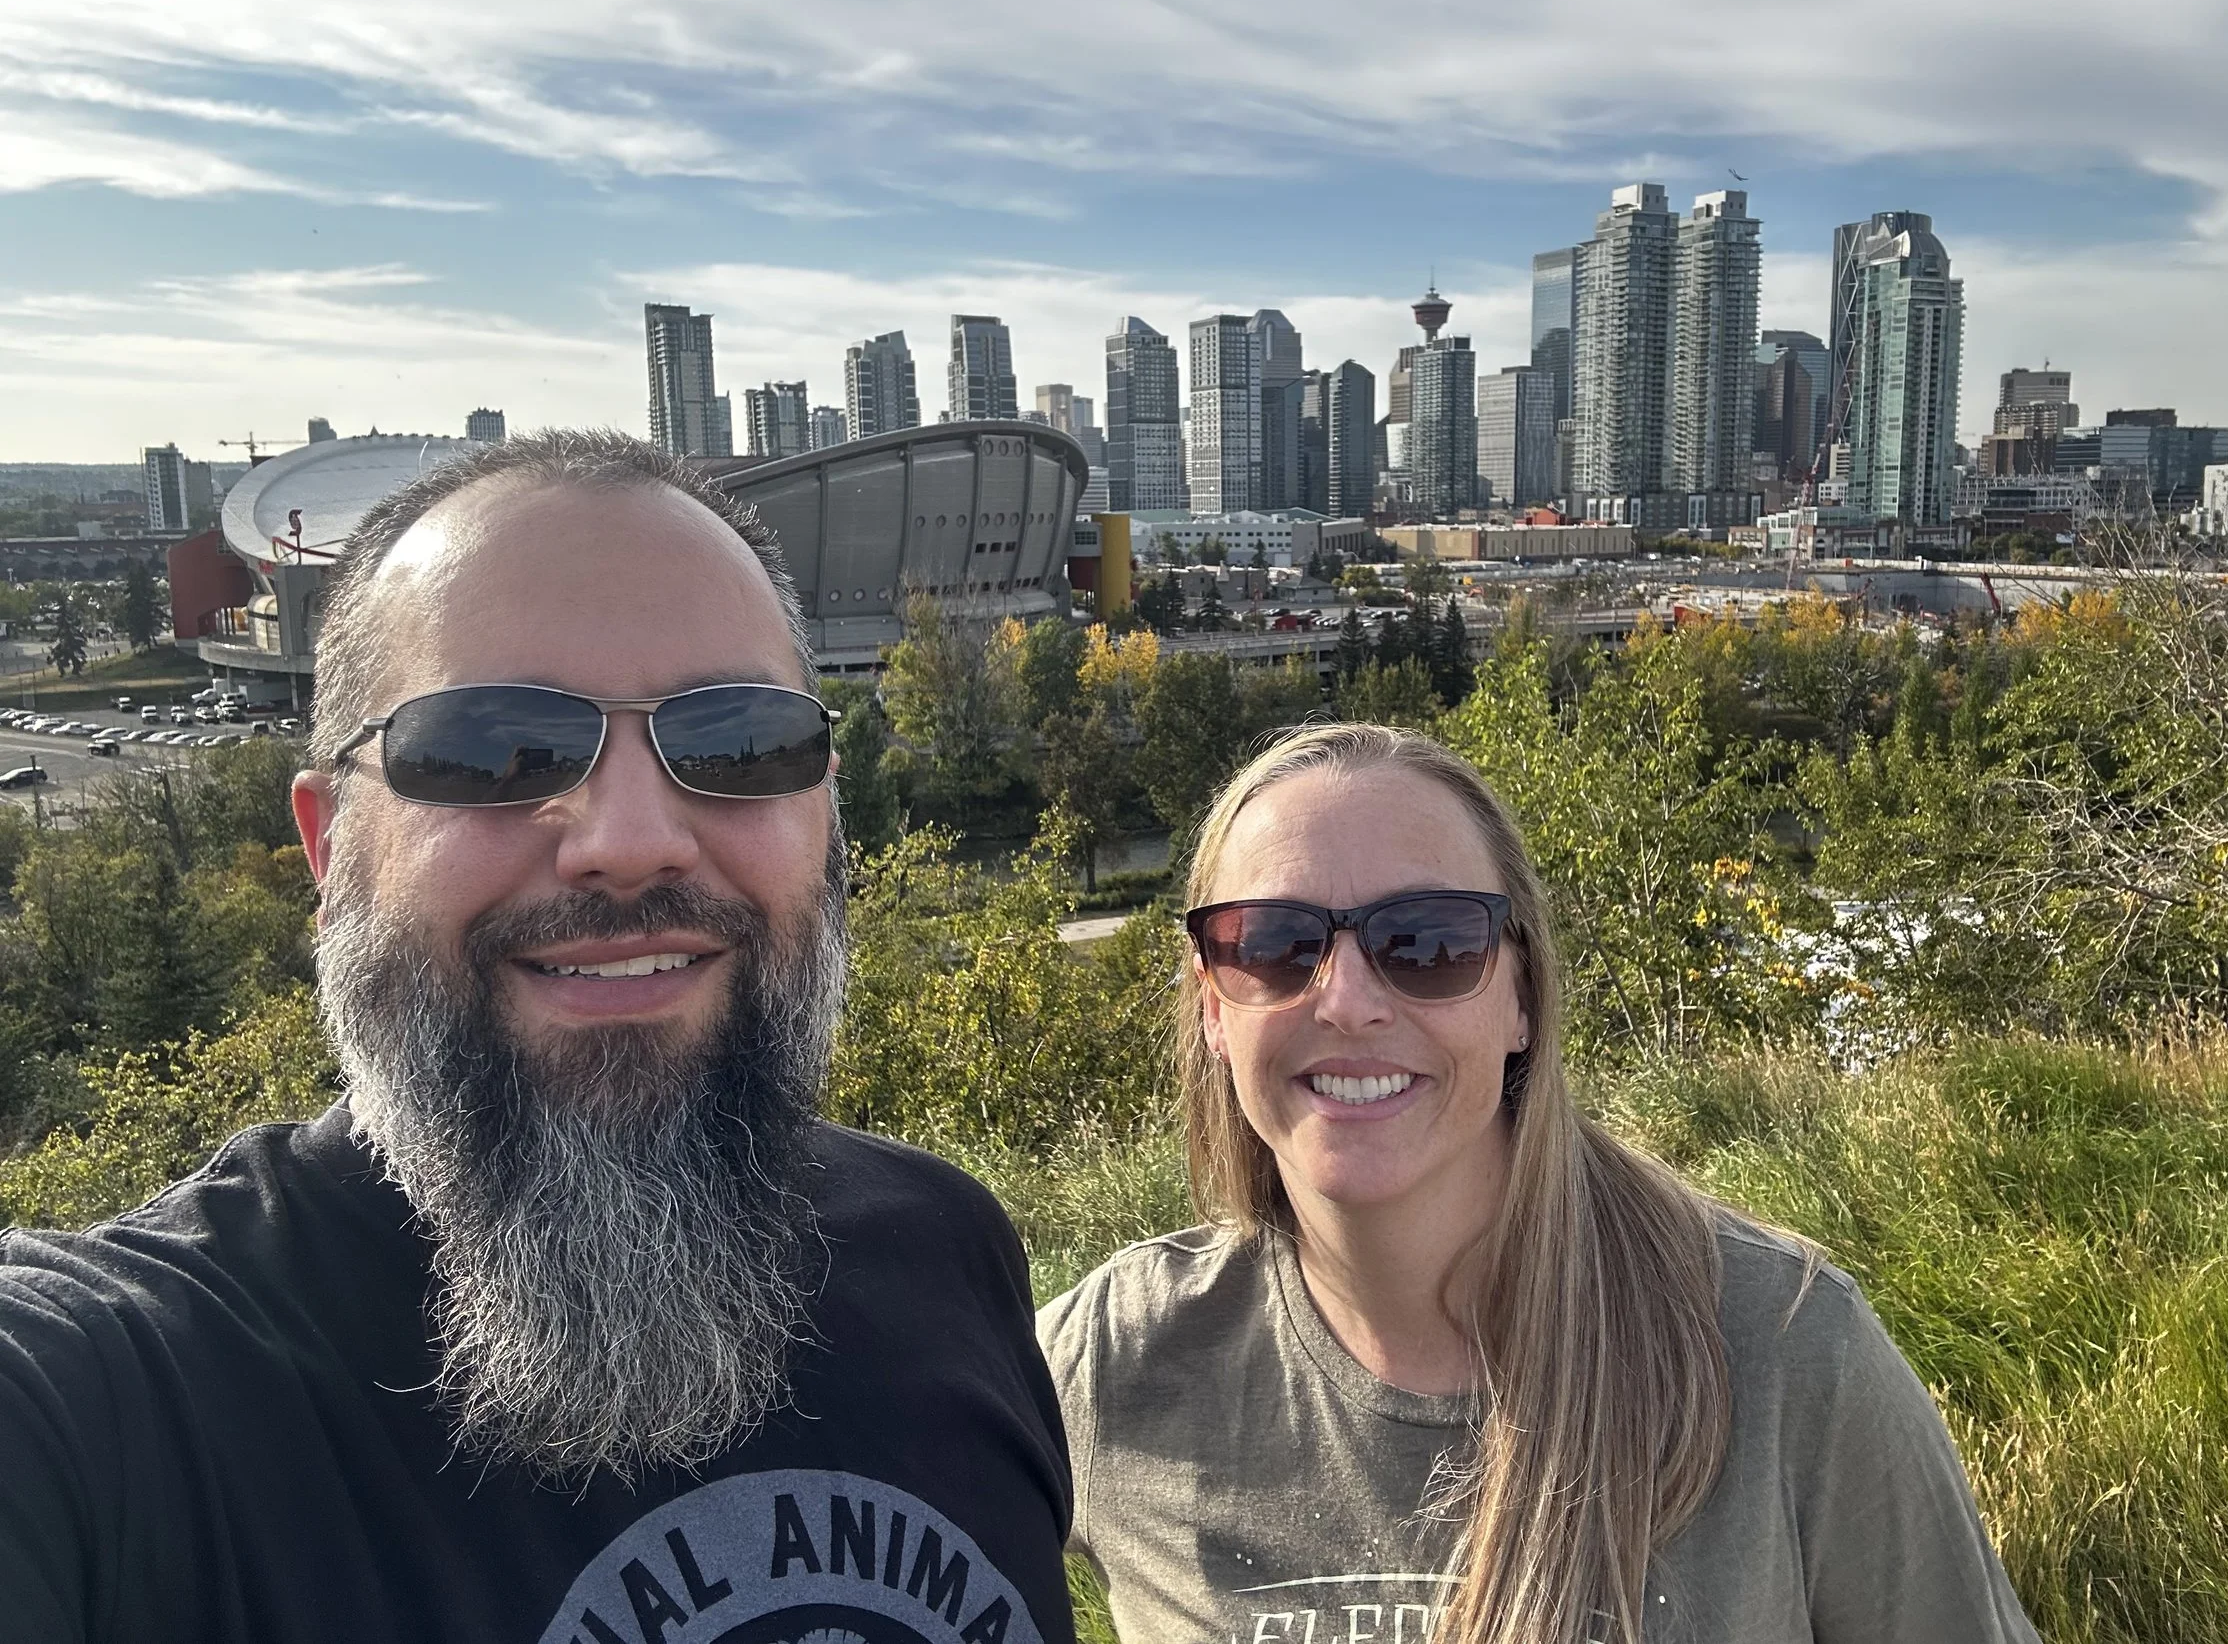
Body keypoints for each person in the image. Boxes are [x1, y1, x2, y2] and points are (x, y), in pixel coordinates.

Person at [0, 432, 1077, 1644]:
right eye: (489, 750)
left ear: (825, 812)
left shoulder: (950, 1249)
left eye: (739, 740)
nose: (631, 841)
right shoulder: (109, 1398)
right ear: (330, 846)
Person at [1040, 723, 2038, 1644]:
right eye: (1272, 944)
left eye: (1428, 942)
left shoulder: (1781, 1350)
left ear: (1522, 995)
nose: (1345, 1001)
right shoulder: (1119, 1362)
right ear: (1214, 1008)